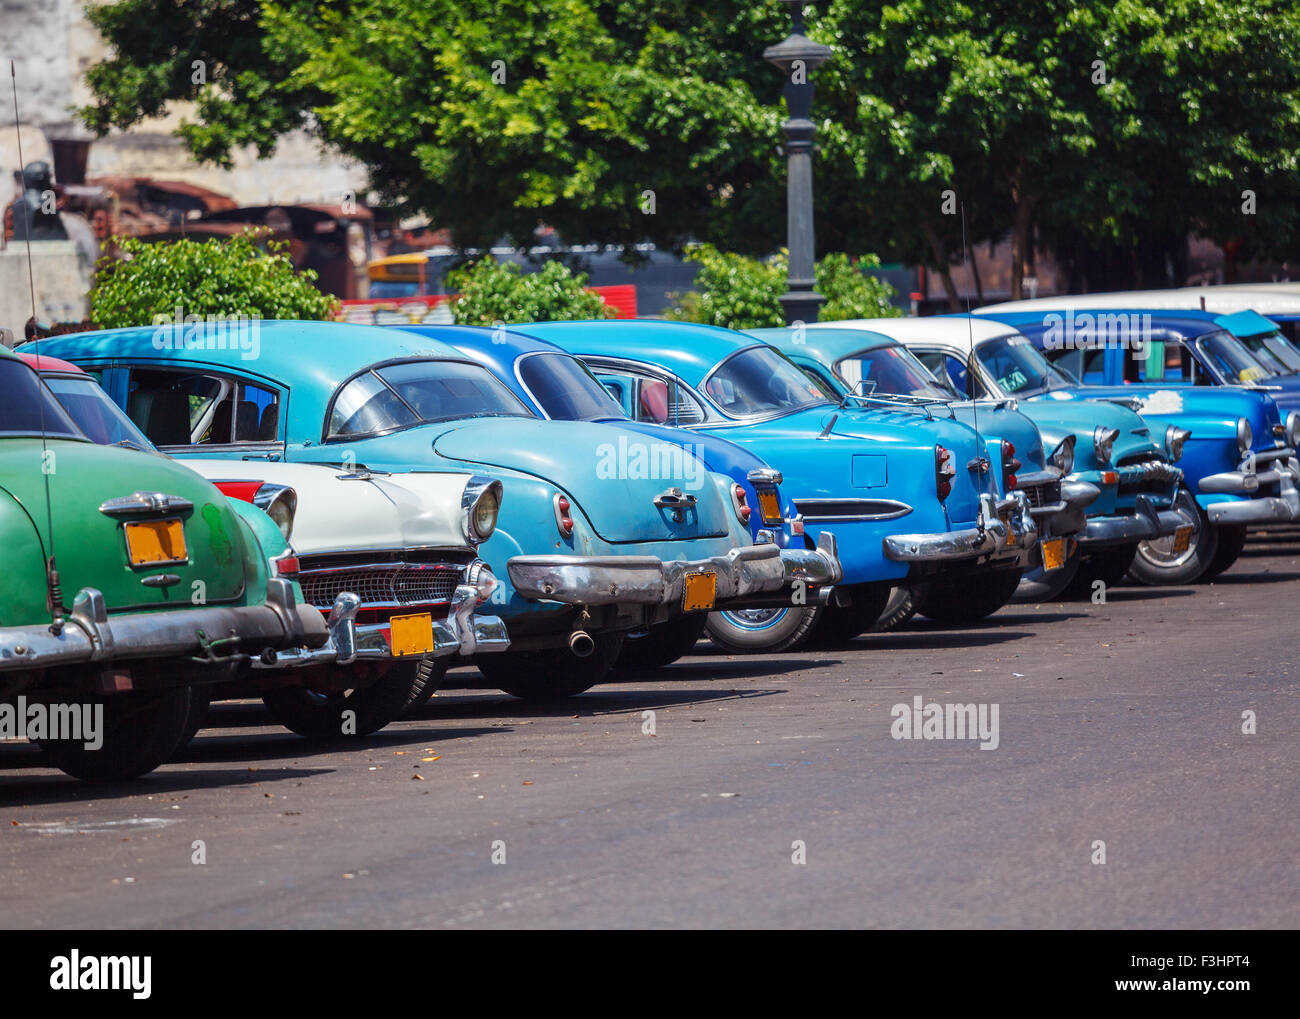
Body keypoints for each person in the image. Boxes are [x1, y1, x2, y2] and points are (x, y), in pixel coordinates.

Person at [8, 161, 68, 241]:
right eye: (49, 177)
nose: (50, 181)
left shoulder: (18, 203)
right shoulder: (44, 204)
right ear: (42, 179)